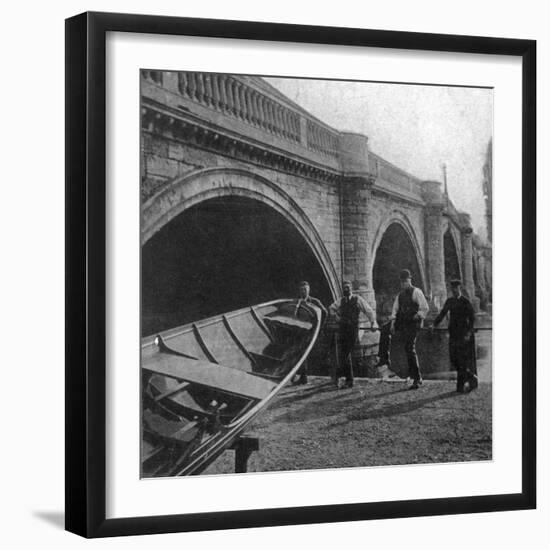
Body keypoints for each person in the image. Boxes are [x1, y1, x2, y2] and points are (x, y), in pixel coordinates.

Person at [377, 269, 429, 389]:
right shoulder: (400, 295)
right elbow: (395, 310)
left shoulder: (417, 292)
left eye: (405, 281)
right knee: (385, 328)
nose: (403, 284)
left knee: (409, 348)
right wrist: (392, 323)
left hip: (413, 323)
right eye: (402, 282)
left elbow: (424, 307)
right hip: (403, 321)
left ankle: (417, 378)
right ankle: (384, 360)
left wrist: (419, 315)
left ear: (410, 280)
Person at [430, 279, 478, 393]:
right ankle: (472, 378)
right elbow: (442, 313)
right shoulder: (450, 301)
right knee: (454, 359)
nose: (454, 291)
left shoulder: (465, 301)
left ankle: (460, 387)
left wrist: (469, 333)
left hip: (463, 335)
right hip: (453, 334)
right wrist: (434, 324)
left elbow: (472, 318)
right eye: (453, 289)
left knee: (461, 361)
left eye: (456, 288)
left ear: (459, 289)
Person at [329, 280, 375, 388]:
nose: (346, 290)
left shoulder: (357, 299)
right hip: (343, 330)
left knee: (345, 354)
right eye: (345, 288)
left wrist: (372, 322)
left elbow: (369, 310)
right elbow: (331, 308)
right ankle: (347, 379)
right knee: (344, 355)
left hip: (353, 330)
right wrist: (336, 317)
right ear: (342, 290)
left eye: (348, 288)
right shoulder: (341, 301)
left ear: (351, 289)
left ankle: (347, 379)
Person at [292, 281, 327, 385]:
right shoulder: (297, 301)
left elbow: (325, 312)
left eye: (305, 290)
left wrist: (319, 326)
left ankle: (302, 377)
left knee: (303, 353)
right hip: (300, 331)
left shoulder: (315, 301)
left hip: (310, 331)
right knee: (298, 353)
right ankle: (301, 376)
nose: (304, 292)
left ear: (309, 290)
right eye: (302, 290)